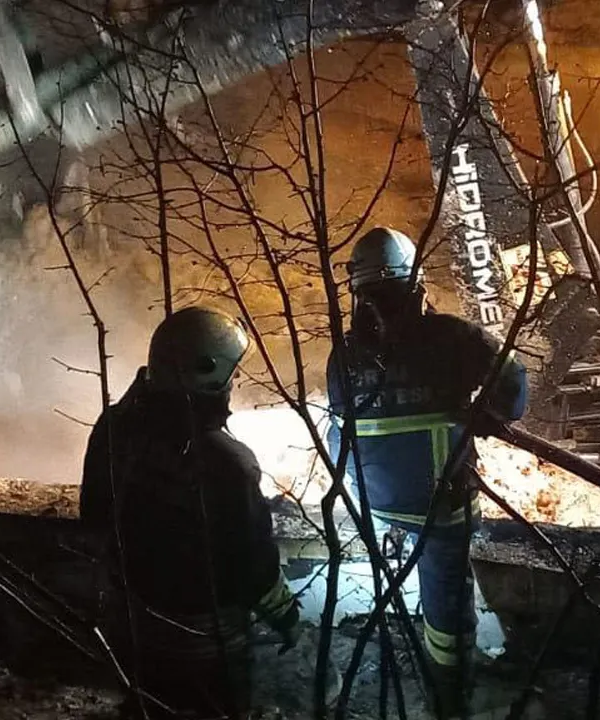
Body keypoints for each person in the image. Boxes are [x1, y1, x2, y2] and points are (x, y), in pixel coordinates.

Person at [325, 227, 528, 717]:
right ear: (415, 285)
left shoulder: (343, 357)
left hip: (374, 499)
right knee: (447, 605)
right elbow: (515, 385)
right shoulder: (451, 337)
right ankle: (450, 690)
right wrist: (488, 415)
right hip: (439, 504)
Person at [80, 306, 299, 720]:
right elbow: (252, 567)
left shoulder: (113, 429)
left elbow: (93, 517)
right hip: (206, 644)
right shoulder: (227, 463)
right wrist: (287, 617)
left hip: (133, 629)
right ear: (207, 372)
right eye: (232, 374)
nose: (235, 384)